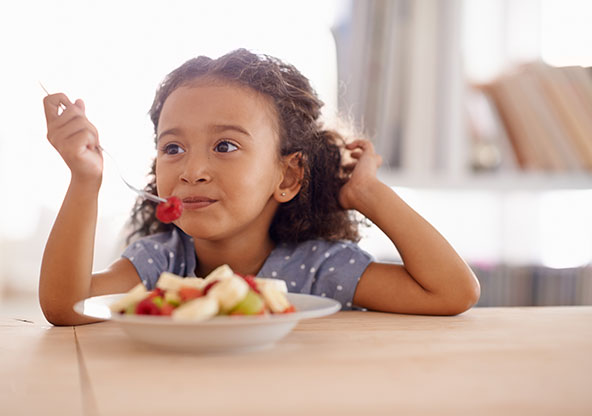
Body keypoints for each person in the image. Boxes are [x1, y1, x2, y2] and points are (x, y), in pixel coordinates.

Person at [40, 49, 480, 326]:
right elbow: (68, 307)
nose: (192, 170)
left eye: (225, 145)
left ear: (287, 176)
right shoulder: (162, 262)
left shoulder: (317, 269)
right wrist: (85, 179)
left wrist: (368, 195)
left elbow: (452, 292)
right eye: (173, 147)